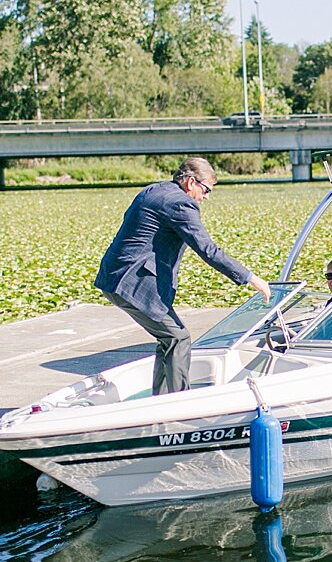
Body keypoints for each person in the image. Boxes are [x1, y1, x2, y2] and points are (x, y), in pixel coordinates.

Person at [95, 157, 270, 395]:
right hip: (131, 283)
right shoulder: (180, 204)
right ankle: (179, 402)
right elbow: (208, 250)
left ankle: (160, 401)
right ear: (190, 183)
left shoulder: (154, 190)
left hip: (115, 276)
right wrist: (252, 278)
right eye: (206, 189)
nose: (206, 196)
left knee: (168, 339)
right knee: (178, 338)